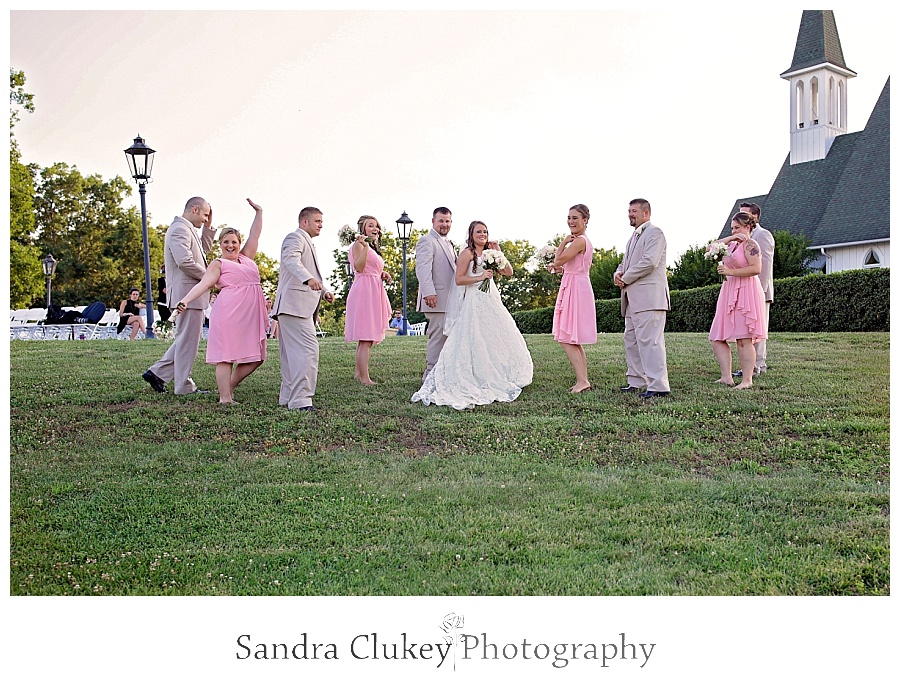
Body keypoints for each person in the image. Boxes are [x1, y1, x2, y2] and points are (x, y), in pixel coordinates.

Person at [411, 221, 533, 409]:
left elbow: (508, 271)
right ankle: (471, 376)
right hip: (474, 300)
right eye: (478, 231)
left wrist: (498, 251)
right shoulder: (467, 253)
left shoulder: (490, 253)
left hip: (491, 299)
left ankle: (497, 373)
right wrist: (480, 277)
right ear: (471, 233)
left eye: (485, 231)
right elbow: (459, 279)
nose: (482, 234)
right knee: (474, 337)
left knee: (495, 336)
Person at [174, 199, 267, 404]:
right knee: (226, 356)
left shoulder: (247, 258)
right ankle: (225, 398)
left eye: (234, 242)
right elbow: (204, 284)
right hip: (228, 313)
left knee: (258, 357)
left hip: (249, 315)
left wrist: (259, 212)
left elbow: (255, 234)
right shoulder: (218, 264)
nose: (230, 245)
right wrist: (185, 300)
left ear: (239, 244)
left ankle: (228, 387)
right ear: (220, 244)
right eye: (226, 242)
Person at [142, 197, 216, 394]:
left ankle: (156, 373)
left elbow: (202, 252)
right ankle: (183, 386)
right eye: (205, 214)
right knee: (187, 340)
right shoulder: (179, 229)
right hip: (186, 294)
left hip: (191, 295)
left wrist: (208, 229)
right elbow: (185, 262)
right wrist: (210, 278)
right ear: (195, 209)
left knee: (187, 339)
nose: (206, 218)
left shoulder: (187, 229)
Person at [272, 206, 335, 411]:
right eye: (317, 221)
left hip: (294, 306)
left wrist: (323, 290)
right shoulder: (295, 238)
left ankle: (288, 396)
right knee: (308, 351)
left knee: (291, 354)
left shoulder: (307, 242)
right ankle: (301, 401)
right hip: (294, 305)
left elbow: (306, 270)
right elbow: (291, 260)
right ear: (304, 222)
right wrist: (308, 280)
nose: (321, 225)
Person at [613, 198, 671, 399]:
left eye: (634, 211)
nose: (630, 214)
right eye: (629, 211)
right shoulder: (632, 238)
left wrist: (625, 278)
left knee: (650, 342)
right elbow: (624, 262)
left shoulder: (655, 233)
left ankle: (658, 386)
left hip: (650, 298)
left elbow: (649, 262)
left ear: (646, 213)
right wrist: (618, 274)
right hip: (632, 299)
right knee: (632, 340)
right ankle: (636, 381)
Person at [710, 212, 768, 389]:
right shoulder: (733, 244)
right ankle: (726, 376)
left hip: (746, 291)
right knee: (717, 336)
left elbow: (756, 268)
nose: (735, 231)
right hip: (729, 291)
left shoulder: (751, 244)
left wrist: (730, 272)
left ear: (748, 227)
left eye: (738, 227)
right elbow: (710, 248)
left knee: (744, 338)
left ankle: (747, 380)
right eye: (733, 227)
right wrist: (732, 237)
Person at [551, 204, 597, 393]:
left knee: (566, 337)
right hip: (574, 285)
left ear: (585, 220)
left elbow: (558, 260)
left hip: (576, 289)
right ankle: (583, 379)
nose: (571, 221)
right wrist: (561, 268)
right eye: (569, 218)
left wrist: (562, 243)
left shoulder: (579, 241)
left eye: (575, 218)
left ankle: (582, 380)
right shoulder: (579, 241)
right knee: (572, 337)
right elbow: (565, 265)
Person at [344, 215, 393, 385]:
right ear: (363, 228)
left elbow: (371, 268)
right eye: (370, 225)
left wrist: (382, 274)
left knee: (368, 338)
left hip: (373, 289)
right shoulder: (359, 245)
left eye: (376, 226)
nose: (375, 229)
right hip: (364, 291)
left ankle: (359, 373)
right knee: (365, 337)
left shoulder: (371, 248)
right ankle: (365, 378)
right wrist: (364, 246)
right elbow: (359, 267)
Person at [414, 207, 457, 380]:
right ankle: (430, 376)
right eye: (441, 220)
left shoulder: (449, 243)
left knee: (446, 338)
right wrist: (429, 293)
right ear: (433, 221)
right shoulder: (426, 241)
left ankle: (443, 374)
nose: (444, 224)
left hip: (449, 300)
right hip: (435, 299)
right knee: (437, 338)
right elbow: (423, 269)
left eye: (447, 221)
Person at [733, 202, 774, 378]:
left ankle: (758, 365)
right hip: (743, 290)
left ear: (754, 217)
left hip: (759, 290)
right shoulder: (739, 238)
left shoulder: (762, 235)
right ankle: (747, 366)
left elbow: (764, 266)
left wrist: (760, 292)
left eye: (744, 214)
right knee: (746, 330)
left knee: (758, 329)